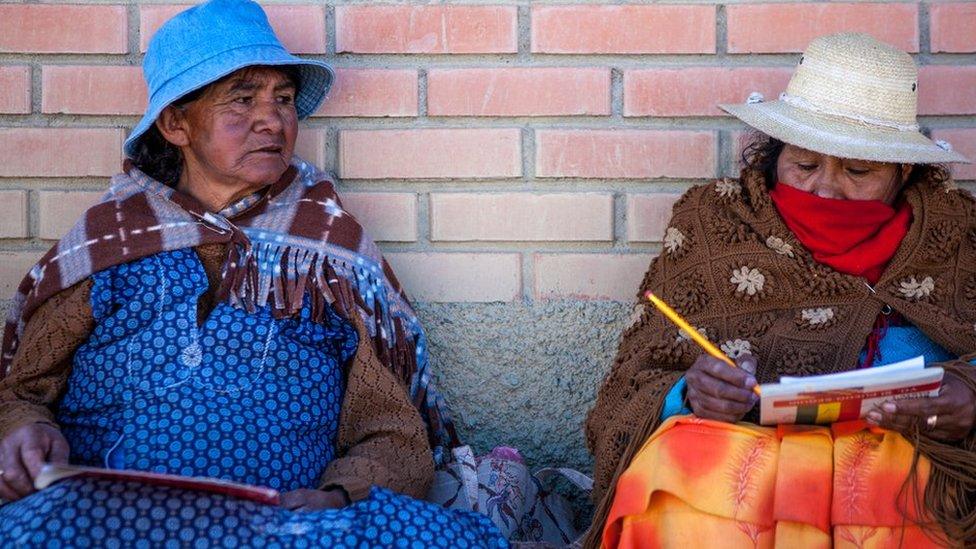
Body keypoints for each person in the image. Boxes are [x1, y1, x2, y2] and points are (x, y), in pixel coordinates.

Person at [0, 1, 506, 546]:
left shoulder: (328, 252)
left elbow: (394, 436)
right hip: (107, 520)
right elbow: (20, 393)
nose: (273, 120)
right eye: (242, 100)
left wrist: (335, 499)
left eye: (283, 100)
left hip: (282, 530)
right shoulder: (106, 243)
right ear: (176, 124)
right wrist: (26, 431)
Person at [585, 33, 975, 548]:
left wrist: (971, 395)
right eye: (805, 165)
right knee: (673, 471)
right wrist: (688, 394)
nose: (826, 190)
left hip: (900, 456)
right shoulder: (717, 224)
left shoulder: (957, 236)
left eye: (858, 171)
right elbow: (630, 383)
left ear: (903, 173)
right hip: (740, 449)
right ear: (775, 154)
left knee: (900, 496)